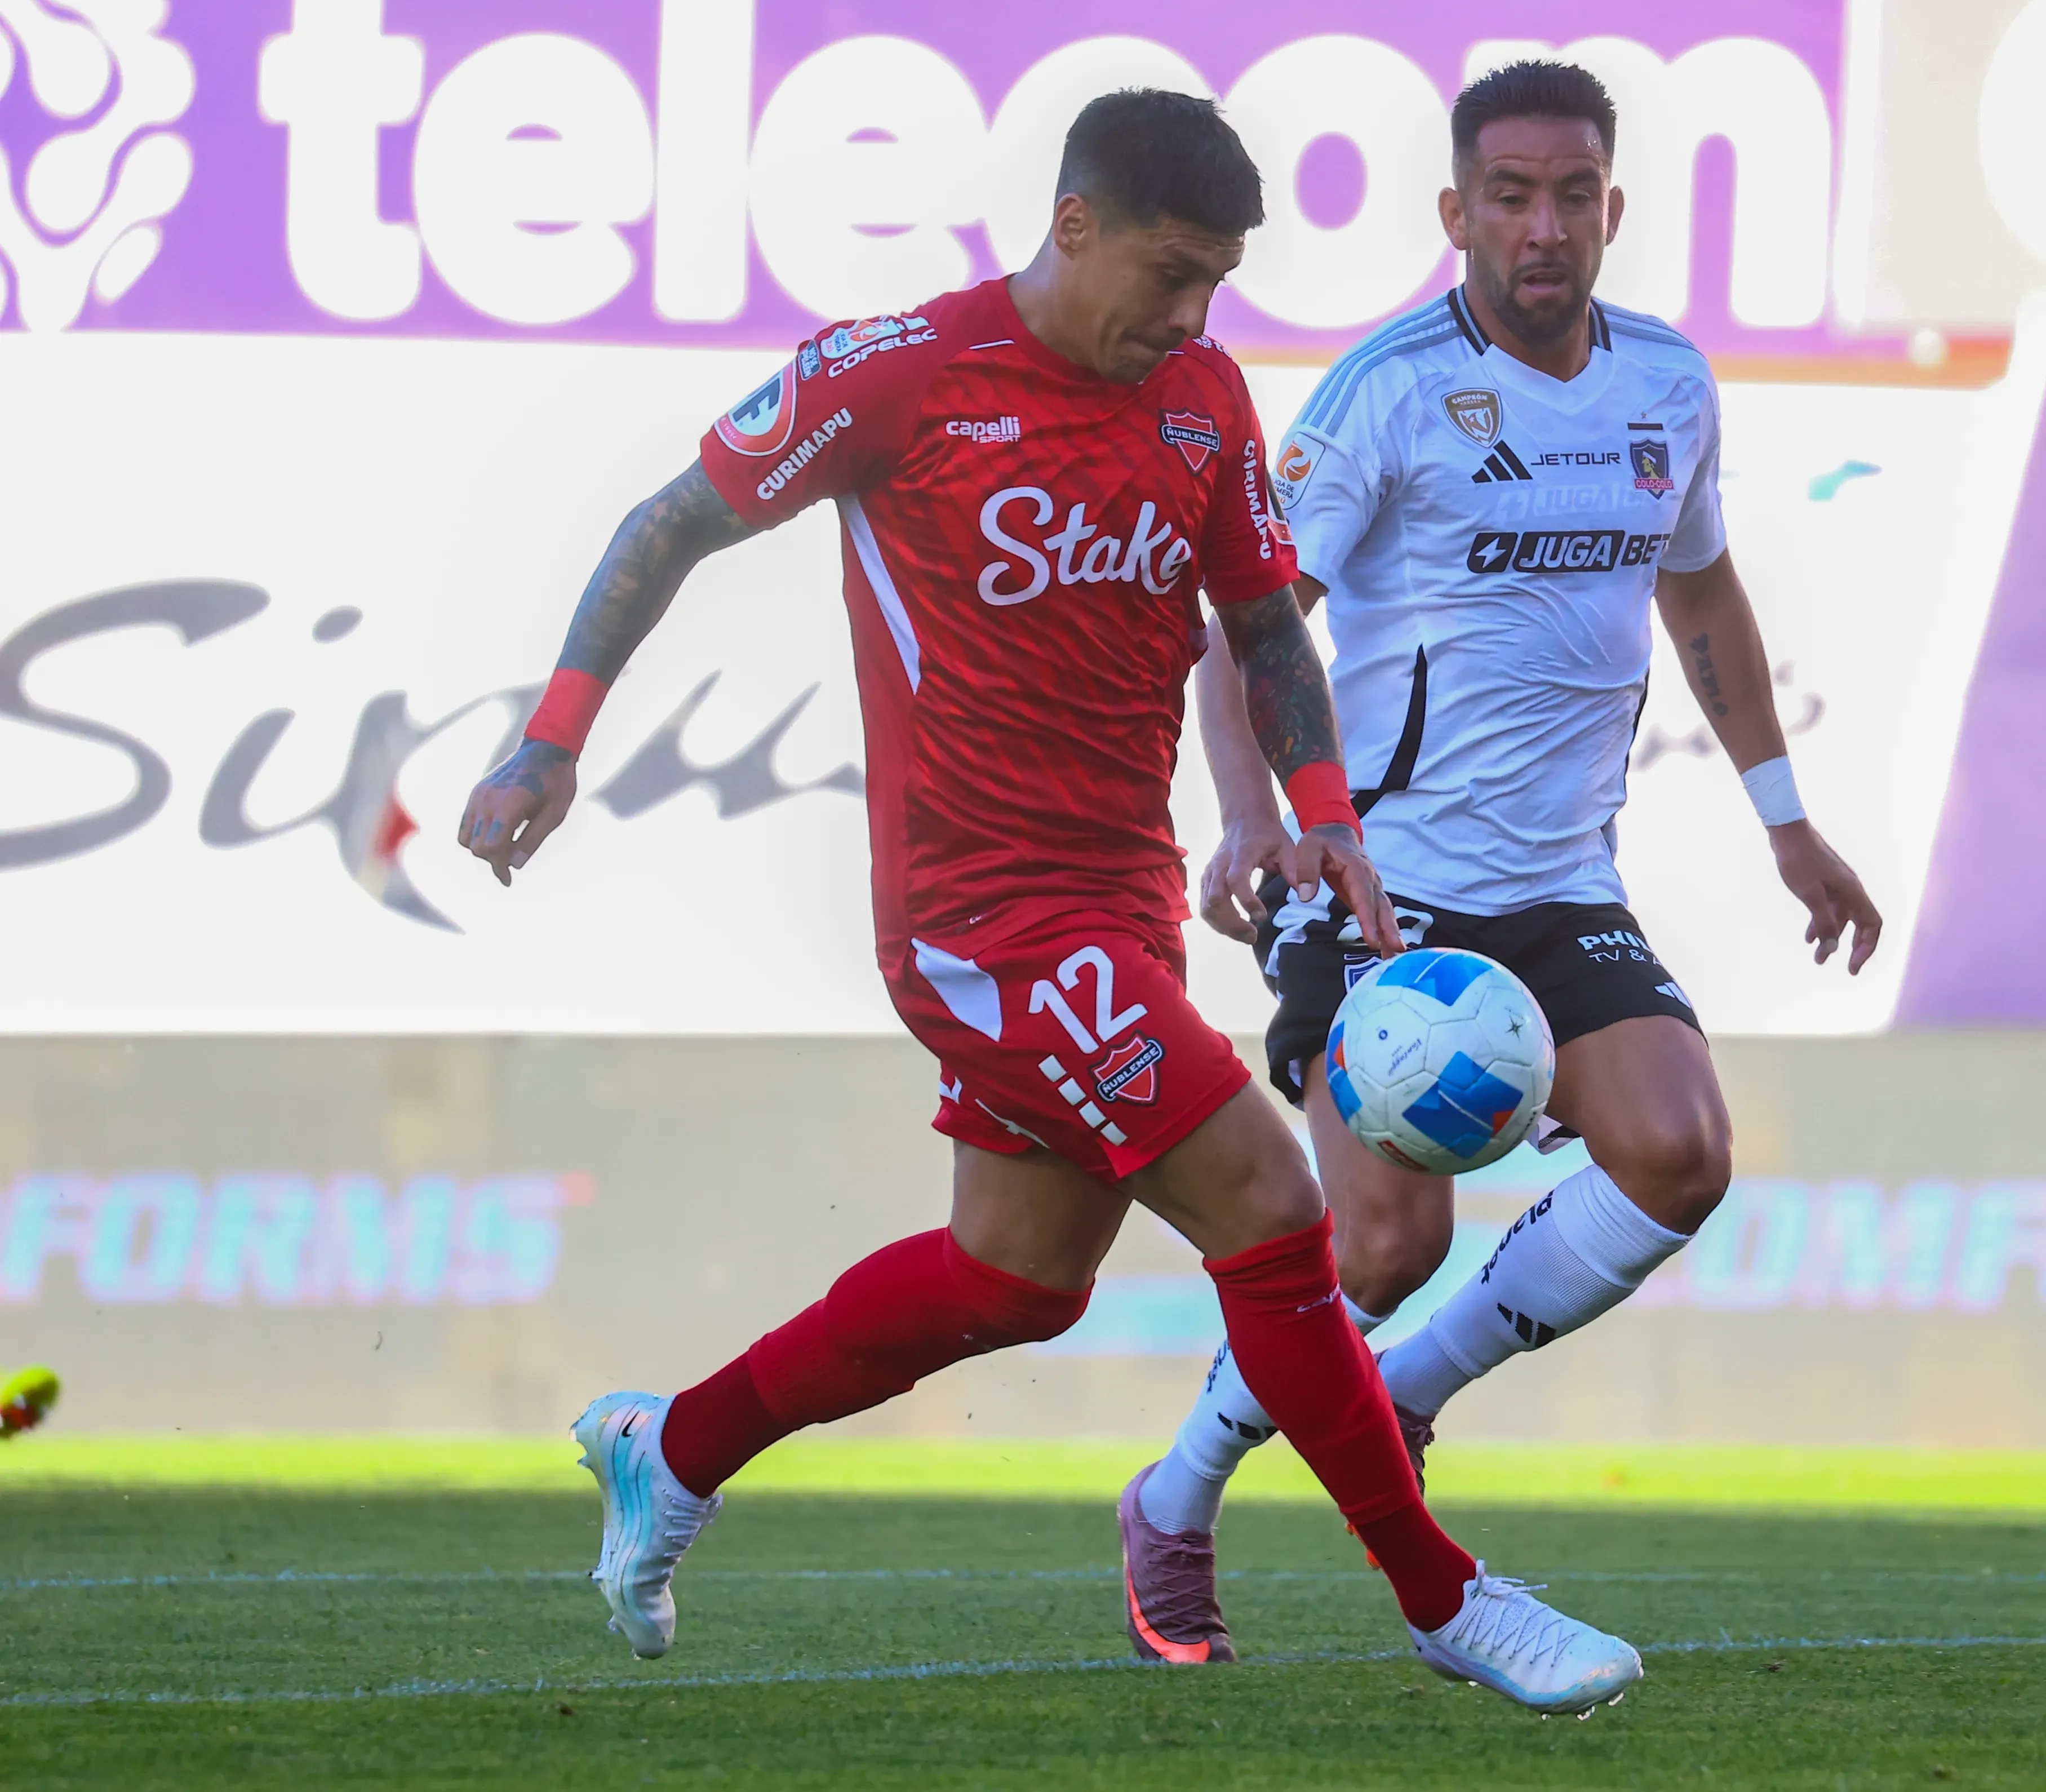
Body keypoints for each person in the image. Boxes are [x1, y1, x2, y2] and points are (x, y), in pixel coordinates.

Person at [455, 88, 1640, 1716]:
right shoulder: (894, 377)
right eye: (1166, 275)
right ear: (1072, 225)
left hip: (1122, 900)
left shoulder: (1202, 397)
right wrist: (552, 739)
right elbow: (671, 526)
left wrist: (1319, 814)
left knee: (1016, 1275)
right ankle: (1448, 1597)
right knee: (1273, 1207)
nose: (1187, 316)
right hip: (977, 919)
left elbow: (1269, 625)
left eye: (1215, 283)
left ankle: (676, 1446)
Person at [1117, 62, 1881, 1660]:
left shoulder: (1666, 385)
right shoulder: (1389, 391)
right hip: (1382, 883)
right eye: (1512, 196)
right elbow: (1250, 626)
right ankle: (1176, 1494)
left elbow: (1704, 597)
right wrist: (1259, 816)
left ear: (1614, 207)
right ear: (1456, 213)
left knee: (1682, 1154)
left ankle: (1406, 1391)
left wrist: (1788, 818)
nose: (1546, 225)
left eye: (1575, 193)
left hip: (1562, 891)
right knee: (1385, 1245)